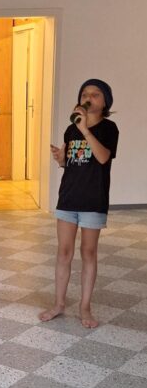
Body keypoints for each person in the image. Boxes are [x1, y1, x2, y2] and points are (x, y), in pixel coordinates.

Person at [39, 79, 118, 329]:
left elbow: (103, 157)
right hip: (68, 198)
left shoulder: (109, 128)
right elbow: (72, 164)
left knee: (88, 252)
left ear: (105, 102)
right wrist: (61, 160)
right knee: (63, 252)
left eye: (95, 94)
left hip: (93, 200)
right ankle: (59, 303)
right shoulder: (70, 130)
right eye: (85, 94)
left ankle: (85, 307)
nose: (89, 97)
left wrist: (85, 130)